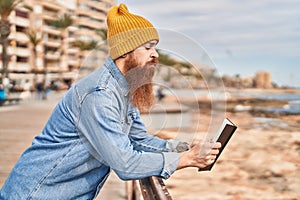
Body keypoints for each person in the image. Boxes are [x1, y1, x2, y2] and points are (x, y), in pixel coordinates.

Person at [0, 4, 221, 199]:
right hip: (36, 193)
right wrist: (185, 160)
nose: (155, 54)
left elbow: (138, 141)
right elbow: (125, 164)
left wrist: (184, 148)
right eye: (147, 47)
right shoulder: (100, 94)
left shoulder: (123, 90)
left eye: (155, 47)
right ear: (125, 51)